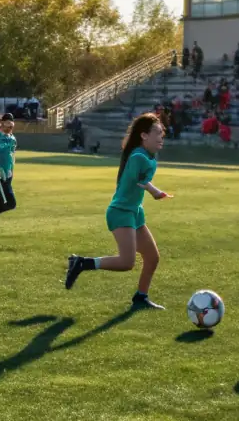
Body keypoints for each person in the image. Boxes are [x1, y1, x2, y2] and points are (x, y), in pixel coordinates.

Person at [64, 112, 173, 310]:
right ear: (143, 135)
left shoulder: (149, 157)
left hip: (134, 212)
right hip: (121, 212)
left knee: (152, 257)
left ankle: (141, 297)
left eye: (162, 134)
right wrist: (155, 191)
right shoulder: (138, 155)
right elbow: (140, 180)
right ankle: (82, 263)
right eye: (157, 133)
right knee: (126, 262)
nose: (161, 138)